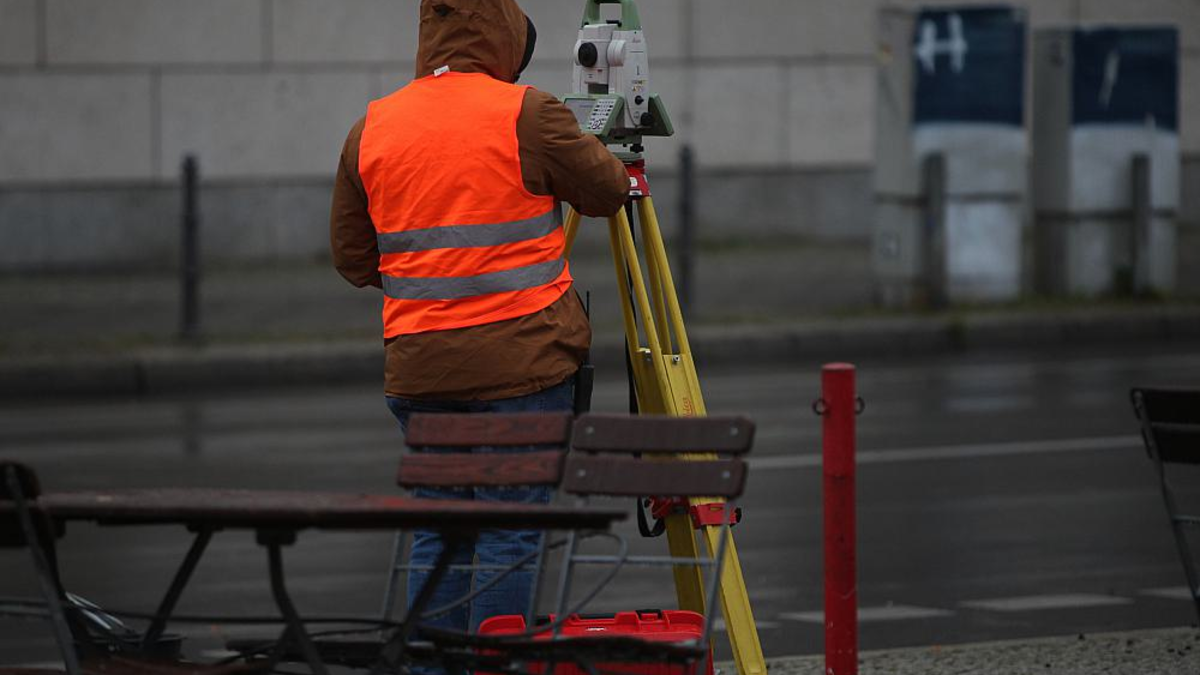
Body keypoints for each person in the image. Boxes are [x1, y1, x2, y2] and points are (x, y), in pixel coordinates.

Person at [328, 0, 629, 636]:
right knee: (510, 527)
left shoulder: (373, 125)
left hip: (419, 369)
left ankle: (432, 661)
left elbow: (353, 258)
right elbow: (607, 193)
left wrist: (437, 286)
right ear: (505, 37)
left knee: (438, 528)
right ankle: (497, 663)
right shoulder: (525, 111)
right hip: (521, 368)